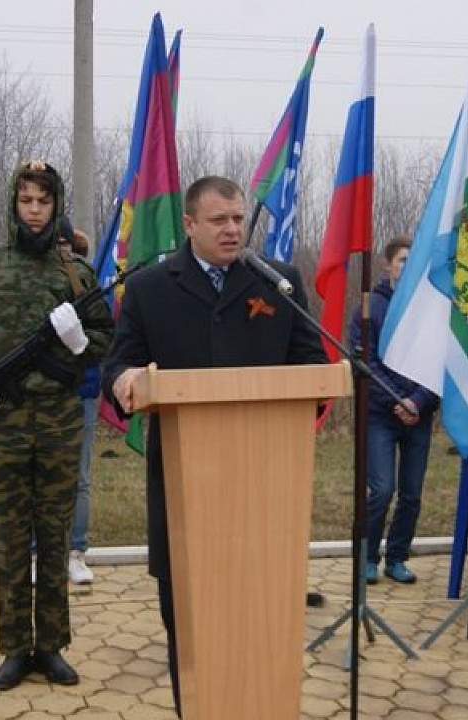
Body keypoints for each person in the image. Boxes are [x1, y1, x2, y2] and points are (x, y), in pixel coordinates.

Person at [101, 176, 327, 716]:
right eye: (219, 219)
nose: (233, 229)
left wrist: (305, 395)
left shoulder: (279, 283)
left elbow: (314, 369)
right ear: (189, 224)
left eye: (238, 218)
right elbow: (117, 365)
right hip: (186, 493)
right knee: (193, 627)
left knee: (262, 622)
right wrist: (126, 380)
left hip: (265, 491)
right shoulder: (152, 288)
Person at [0, 161, 113, 692]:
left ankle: (51, 646)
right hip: (4, 422)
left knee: (54, 536)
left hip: (59, 423)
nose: (34, 210)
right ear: (14, 203)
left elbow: (106, 339)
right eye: (26, 200)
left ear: (56, 205)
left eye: (44, 201)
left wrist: (81, 342)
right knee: (11, 538)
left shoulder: (75, 272)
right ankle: (15, 648)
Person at [349, 236, 438, 585]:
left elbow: (438, 362)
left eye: (414, 261)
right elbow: (366, 362)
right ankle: (368, 557)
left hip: (419, 413)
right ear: (388, 265)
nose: (407, 266)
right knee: (382, 488)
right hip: (380, 415)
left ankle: (397, 556)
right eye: (402, 260)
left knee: (412, 493)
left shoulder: (431, 309)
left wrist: (417, 400)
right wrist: (398, 400)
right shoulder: (369, 308)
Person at [64, 223, 97, 586]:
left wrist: (80, 339)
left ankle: (76, 551)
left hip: (82, 391)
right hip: (39, 394)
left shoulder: (86, 284)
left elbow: (105, 338)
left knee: (80, 478)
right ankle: (36, 553)